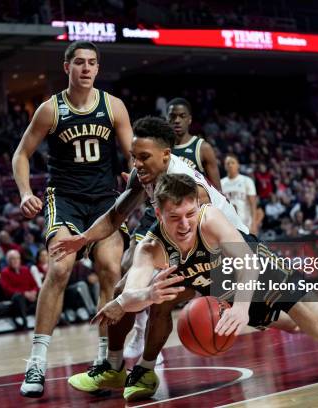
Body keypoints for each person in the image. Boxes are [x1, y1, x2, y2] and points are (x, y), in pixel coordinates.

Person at [91, 174, 318, 401]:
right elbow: (131, 290)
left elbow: (246, 263)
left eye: (190, 213)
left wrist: (239, 308)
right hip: (226, 288)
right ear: (159, 214)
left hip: (263, 272)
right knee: (294, 326)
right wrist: (140, 297)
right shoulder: (151, 246)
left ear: (198, 207)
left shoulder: (209, 221)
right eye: (175, 217)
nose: (185, 224)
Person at [51, 117, 249, 394]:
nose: (137, 164)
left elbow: (198, 240)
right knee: (130, 290)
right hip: (190, 246)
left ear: (166, 155)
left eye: (144, 157)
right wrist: (83, 238)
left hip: (228, 256)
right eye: (134, 157)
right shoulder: (142, 175)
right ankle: (118, 367)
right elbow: (115, 215)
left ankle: (141, 370)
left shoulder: (192, 190)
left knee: (158, 296)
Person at [12, 41, 133, 398]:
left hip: (104, 201)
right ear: (67, 67)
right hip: (63, 200)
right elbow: (21, 154)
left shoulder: (114, 106)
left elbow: (132, 153)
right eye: (79, 62)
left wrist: (131, 173)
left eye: (92, 63)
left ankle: (105, 361)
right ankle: (36, 360)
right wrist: (24, 193)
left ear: (98, 68)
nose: (86, 68)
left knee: (111, 268)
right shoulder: (51, 109)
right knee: (61, 268)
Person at [122, 98, 221, 360]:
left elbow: (214, 192)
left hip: (190, 218)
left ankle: (147, 334)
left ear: (189, 119)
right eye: (172, 116)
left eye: (181, 116)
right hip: (160, 213)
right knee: (129, 267)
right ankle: (143, 334)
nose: (176, 120)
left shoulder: (201, 148)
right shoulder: (151, 151)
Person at [221, 154, 260, 235]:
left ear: (238, 165)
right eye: (228, 163)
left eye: (233, 162)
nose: (230, 165)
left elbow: (253, 204)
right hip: (228, 225)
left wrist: (254, 223)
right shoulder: (221, 183)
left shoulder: (247, 181)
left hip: (246, 224)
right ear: (224, 166)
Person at [0, 250, 39, 329]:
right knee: (19, 297)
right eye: (12, 259)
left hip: (30, 295)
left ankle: (55, 317)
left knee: (43, 292)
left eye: (17, 258)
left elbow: (34, 285)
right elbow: (7, 289)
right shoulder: (4, 272)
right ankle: (25, 322)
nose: (15, 261)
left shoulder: (25, 270)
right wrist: (24, 294)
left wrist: (34, 292)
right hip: (16, 297)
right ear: (8, 261)